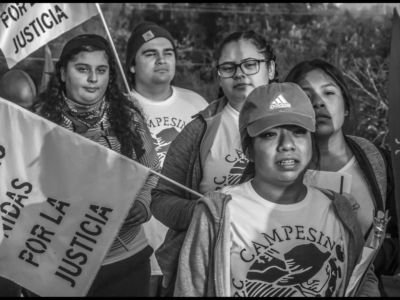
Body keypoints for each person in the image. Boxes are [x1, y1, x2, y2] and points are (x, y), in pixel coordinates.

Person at [174, 82, 380, 297]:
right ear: (249, 149)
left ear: (312, 141)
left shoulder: (339, 210)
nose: (286, 144)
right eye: (269, 134)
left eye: (298, 132)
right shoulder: (217, 212)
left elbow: (363, 278)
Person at [150, 30, 278, 295]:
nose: (240, 74)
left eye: (250, 64)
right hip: (209, 274)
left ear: (271, 68)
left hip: (276, 264)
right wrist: (205, 214)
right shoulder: (199, 130)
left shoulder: (295, 126)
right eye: (228, 68)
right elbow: (161, 199)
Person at [31, 34, 160, 296]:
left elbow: (152, 168)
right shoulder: (38, 120)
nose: (93, 79)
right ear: (63, 73)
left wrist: (144, 202)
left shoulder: (128, 117)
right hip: (61, 263)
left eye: (101, 71)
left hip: (125, 260)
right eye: (82, 69)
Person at [284, 58, 398, 294]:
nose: (318, 102)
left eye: (328, 92)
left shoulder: (380, 163)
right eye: (306, 96)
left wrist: (367, 259)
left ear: (346, 106)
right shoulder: (273, 167)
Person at [125, 22, 208, 296]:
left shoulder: (198, 104)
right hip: (136, 247)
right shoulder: (119, 109)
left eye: (168, 52)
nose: (161, 59)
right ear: (132, 65)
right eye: (149, 53)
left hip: (186, 245)